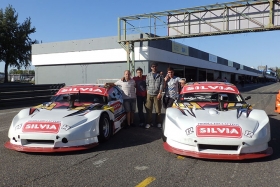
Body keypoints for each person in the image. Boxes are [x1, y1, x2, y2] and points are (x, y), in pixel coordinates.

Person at [145, 63, 163, 129]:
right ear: (151, 67)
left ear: (157, 67)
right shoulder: (148, 75)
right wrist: (147, 91)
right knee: (149, 109)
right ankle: (148, 122)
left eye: (155, 66)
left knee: (158, 109)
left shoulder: (160, 76)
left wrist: (160, 93)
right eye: (153, 66)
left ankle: (158, 122)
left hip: (157, 94)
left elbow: (161, 85)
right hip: (149, 94)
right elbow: (146, 84)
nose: (154, 67)